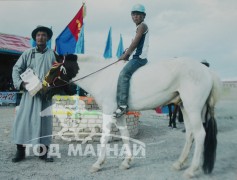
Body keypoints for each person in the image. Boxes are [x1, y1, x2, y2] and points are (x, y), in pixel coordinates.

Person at [11, 26, 56, 162]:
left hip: (45, 96)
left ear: (47, 38)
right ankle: (20, 151)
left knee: (44, 123)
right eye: (38, 35)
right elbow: (16, 69)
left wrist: (52, 87)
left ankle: (43, 153)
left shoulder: (53, 54)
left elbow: (57, 74)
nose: (41, 37)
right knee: (23, 121)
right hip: (29, 95)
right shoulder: (28, 53)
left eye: (43, 35)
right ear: (35, 38)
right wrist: (21, 83)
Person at [113, 4, 149, 118]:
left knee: (124, 74)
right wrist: (128, 54)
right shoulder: (138, 27)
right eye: (133, 14)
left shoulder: (142, 26)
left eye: (138, 14)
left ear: (144, 16)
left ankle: (123, 105)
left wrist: (125, 54)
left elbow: (135, 43)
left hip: (139, 59)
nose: (135, 16)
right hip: (135, 57)